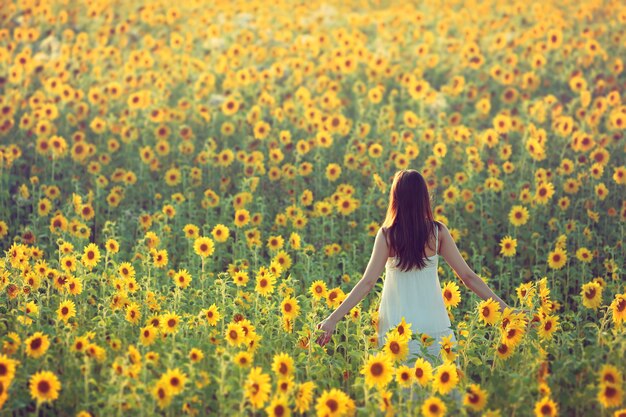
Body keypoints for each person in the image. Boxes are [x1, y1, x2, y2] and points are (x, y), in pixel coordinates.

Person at [315, 169, 513, 366]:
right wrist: (506, 310)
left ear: (395, 198)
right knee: (440, 390)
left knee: (402, 393)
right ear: (424, 198)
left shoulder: (387, 236)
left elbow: (367, 283)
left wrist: (332, 319)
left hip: (397, 333)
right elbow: (468, 278)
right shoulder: (438, 232)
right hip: (434, 327)